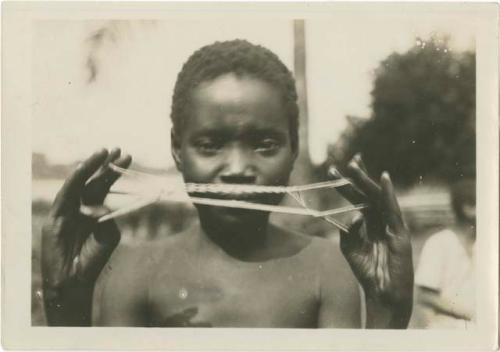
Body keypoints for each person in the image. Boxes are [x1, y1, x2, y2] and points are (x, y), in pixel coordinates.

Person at [41, 40, 413, 328]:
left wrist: (389, 313)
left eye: (264, 145)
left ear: (294, 149)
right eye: (210, 145)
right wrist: (65, 304)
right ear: (177, 149)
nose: (237, 168)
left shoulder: (327, 268)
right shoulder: (137, 272)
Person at [415, 178, 476, 328]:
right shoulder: (439, 243)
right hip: (448, 332)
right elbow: (425, 296)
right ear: (468, 208)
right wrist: (471, 313)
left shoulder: (487, 244)